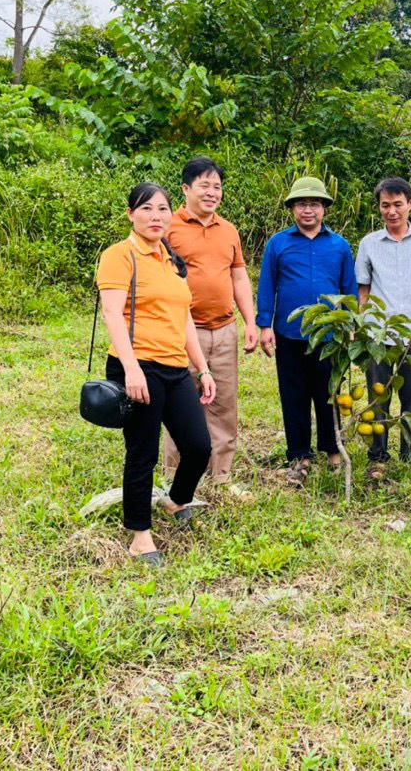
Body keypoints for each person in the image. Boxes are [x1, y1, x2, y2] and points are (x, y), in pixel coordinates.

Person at [97, 183, 217, 566]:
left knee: (198, 446)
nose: (155, 217)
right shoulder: (120, 256)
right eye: (146, 209)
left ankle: (176, 501)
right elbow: (113, 314)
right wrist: (131, 369)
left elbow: (183, 320)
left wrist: (203, 368)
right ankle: (140, 535)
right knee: (143, 452)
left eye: (162, 210)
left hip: (175, 368)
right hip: (138, 366)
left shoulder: (170, 258)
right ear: (131, 214)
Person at [256, 176, 358, 485]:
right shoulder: (278, 243)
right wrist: (264, 325)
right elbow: (267, 285)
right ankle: (299, 456)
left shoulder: (339, 246)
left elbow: (348, 289)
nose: (308, 210)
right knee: (294, 396)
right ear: (292, 209)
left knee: (328, 394)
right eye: (302, 204)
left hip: (328, 337)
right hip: (289, 335)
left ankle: (333, 451)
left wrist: (350, 324)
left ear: (324, 208)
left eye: (314, 204)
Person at [162, 157, 257, 486]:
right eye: (204, 185)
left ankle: (221, 477)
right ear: (185, 189)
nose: (212, 192)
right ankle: (175, 478)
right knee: (181, 407)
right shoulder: (167, 228)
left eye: (217, 187)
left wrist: (250, 322)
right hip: (181, 332)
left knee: (222, 406)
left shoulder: (228, 230)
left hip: (224, 330)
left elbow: (240, 277)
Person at [355, 177, 411, 478]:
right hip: (379, 336)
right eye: (385, 205)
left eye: (397, 204)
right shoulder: (369, 243)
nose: (391, 211)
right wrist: (362, 325)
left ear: (410, 204)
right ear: (379, 207)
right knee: (377, 396)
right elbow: (364, 291)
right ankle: (377, 455)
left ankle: (410, 455)